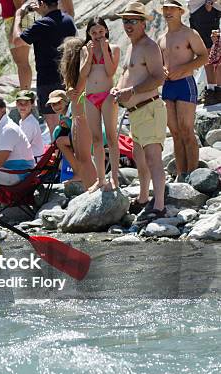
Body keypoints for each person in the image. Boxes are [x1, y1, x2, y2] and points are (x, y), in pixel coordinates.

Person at [112, 1, 167, 222]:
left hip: (149, 108)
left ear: (143, 23)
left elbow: (158, 77)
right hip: (135, 112)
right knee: (139, 158)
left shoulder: (150, 46)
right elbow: (129, 74)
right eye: (125, 21)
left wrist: (131, 90)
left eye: (132, 21)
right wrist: (119, 88)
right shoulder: (132, 46)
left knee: (153, 158)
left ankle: (160, 205)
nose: (127, 25)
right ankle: (144, 198)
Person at [159, 0, 208, 182]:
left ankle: (194, 174)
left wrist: (184, 68)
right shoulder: (161, 38)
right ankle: (181, 173)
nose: (168, 11)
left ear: (180, 11)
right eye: (165, 8)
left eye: (172, 8)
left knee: (186, 129)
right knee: (175, 131)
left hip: (185, 83)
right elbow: (159, 63)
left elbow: (204, 57)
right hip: (168, 87)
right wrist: (161, 70)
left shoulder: (189, 33)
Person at [12, 0, 77, 133]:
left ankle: (61, 152)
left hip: (48, 80)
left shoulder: (42, 24)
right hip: (69, 76)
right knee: (72, 121)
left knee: (55, 128)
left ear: (43, 4)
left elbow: (17, 41)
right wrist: (42, 12)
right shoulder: (68, 20)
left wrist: (18, 16)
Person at [80, 17, 121, 191]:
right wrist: (89, 56)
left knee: (111, 138)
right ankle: (100, 178)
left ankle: (114, 179)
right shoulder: (85, 50)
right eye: (94, 32)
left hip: (107, 95)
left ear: (106, 31)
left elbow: (111, 72)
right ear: (89, 34)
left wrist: (104, 50)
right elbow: (84, 74)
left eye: (100, 32)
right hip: (90, 97)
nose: (97, 35)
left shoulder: (114, 48)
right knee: (96, 139)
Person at [59, 37, 97, 189]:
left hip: (83, 117)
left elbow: (79, 89)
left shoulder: (82, 74)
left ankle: (93, 188)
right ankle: (91, 187)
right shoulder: (77, 78)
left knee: (84, 158)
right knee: (82, 158)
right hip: (79, 116)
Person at [189, 0, 221, 105]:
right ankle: (213, 90)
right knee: (210, 53)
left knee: (212, 52)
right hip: (200, 10)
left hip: (204, 10)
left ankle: (214, 90)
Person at [0, 0, 34, 89]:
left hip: (19, 20)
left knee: (22, 61)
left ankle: (25, 93)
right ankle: (24, 91)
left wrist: (14, 29)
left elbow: (20, 8)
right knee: (19, 62)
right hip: (11, 20)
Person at [46, 89, 79, 182]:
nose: (56, 107)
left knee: (60, 141)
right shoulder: (63, 114)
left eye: (58, 103)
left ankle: (78, 173)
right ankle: (71, 170)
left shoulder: (73, 109)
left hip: (87, 137)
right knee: (58, 135)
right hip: (78, 137)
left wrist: (68, 123)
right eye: (53, 104)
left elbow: (79, 126)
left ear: (66, 101)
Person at [13, 89, 44, 159]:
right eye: (20, 103)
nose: (23, 106)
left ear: (32, 104)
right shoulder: (23, 120)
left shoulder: (30, 123)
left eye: (26, 103)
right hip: (29, 157)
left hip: (34, 159)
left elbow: (22, 146)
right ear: (16, 104)